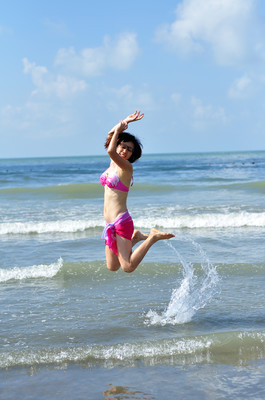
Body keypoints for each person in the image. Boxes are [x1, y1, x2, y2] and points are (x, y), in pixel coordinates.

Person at [100, 110, 174, 273]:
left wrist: (120, 130)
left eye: (129, 149)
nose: (124, 150)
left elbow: (111, 150)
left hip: (121, 221)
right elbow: (110, 135)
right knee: (112, 266)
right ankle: (136, 237)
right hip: (109, 223)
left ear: (132, 155)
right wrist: (125, 121)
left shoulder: (126, 168)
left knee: (127, 267)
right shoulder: (111, 164)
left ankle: (152, 237)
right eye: (123, 146)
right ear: (118, 144)